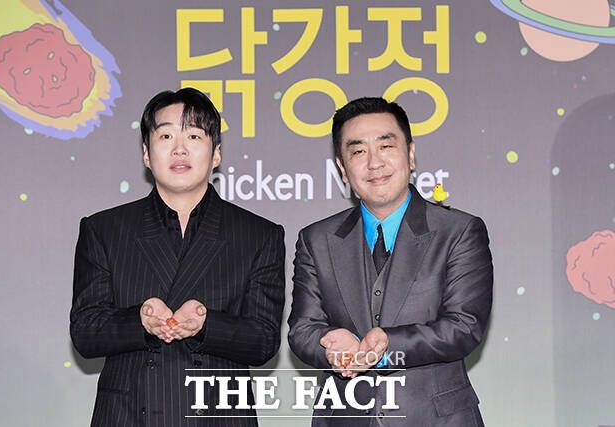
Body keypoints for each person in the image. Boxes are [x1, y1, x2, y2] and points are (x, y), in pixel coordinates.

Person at [70, 87, 285, 426]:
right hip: (128, 416)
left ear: (216, 154)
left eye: (194, 135)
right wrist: (139, 320)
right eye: (166, 135)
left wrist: (206, 324)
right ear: (146, 153)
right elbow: (85, 332)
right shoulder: (104, 229)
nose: (179, 148)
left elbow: (264, 341)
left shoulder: (259, 234)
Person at [288, 97, 493, 426]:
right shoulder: (316, 239)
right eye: (358, 151)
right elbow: (302, 330)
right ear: (342, 167)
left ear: (410, 154)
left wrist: (388, 345)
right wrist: (330, 346)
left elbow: (464, 326)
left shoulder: (459, 231)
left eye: (386, 146)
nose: (374, 163)